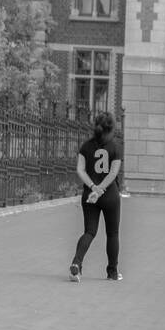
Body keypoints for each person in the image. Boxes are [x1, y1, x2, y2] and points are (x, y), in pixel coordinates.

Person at [69, 111, 123, 281]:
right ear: (111, 128)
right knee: (112, 234)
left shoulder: (86, 146)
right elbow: (113, 173)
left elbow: (80, 169)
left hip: (89, 195)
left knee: (89, 231)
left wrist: (93, 187)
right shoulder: (115, 147)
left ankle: (77, 263)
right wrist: (101, 189)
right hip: (110, 195)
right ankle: (112, 272)